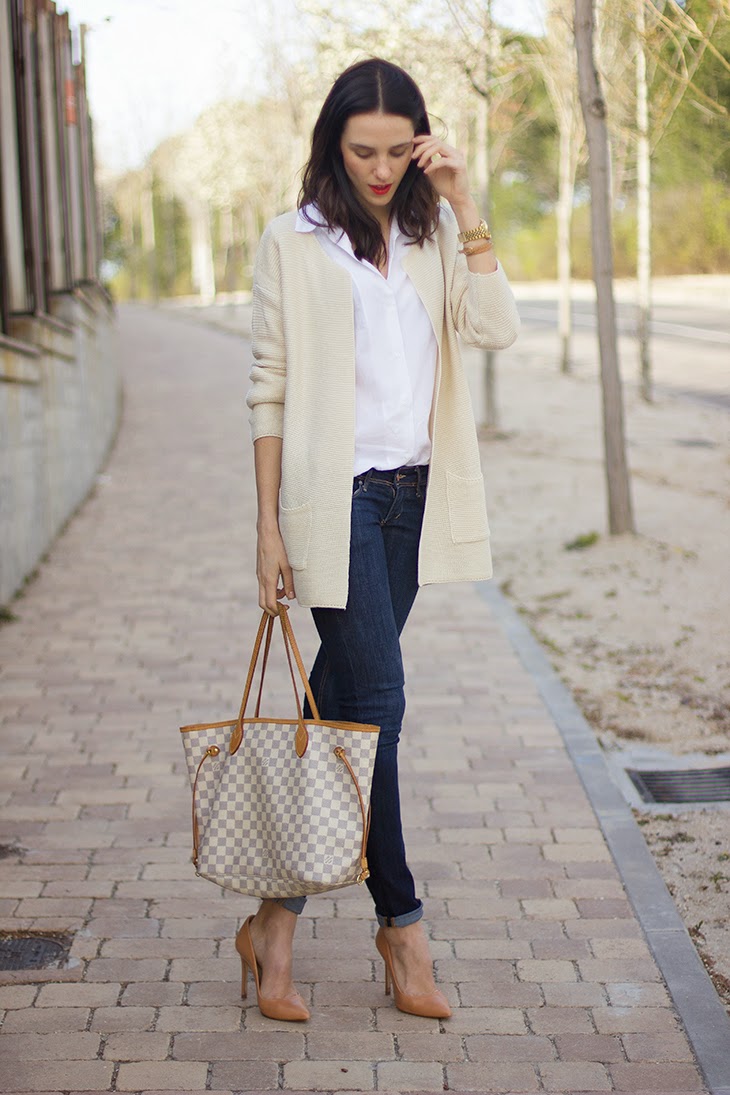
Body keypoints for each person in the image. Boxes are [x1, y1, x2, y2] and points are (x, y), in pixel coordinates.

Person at [241, 57, 520, 1023]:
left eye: (400, 151)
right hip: (337, 501)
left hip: (415, 497)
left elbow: (495, 329)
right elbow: (269, 386)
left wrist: (464, 200)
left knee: (346, 706)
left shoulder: (434, 230)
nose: (381, 169)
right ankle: (402, 926)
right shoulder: (293, 239)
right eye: (363, 151)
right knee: (382, 707)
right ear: (333, 144)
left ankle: (272, 920)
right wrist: (268, 526)